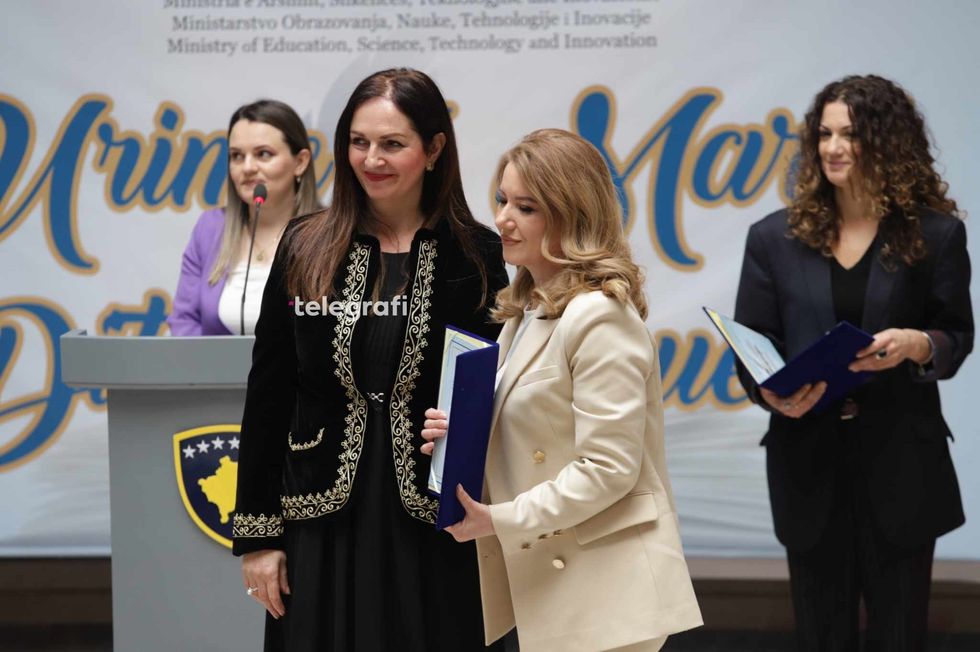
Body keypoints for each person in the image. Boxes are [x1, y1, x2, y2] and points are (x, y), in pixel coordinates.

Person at [232, 69, 510, 652]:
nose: (371, 159)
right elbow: (269, 394)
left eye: (392, 143)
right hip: (319, 519)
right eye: (358, 142)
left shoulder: (476, 252)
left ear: (434, 149)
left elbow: (494, 387)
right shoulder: (305, 243)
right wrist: (258, 536)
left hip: (436, 521)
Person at [421, 129, 703, 651]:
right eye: (502, 199)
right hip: (560, 583)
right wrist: (461, 436)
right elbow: (536, 433)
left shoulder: (599, 316)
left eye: (526, 207)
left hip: (607, 591)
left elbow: (608, 469)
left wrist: (498, 520)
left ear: (572, 215)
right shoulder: (527, 310)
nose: (503, 219)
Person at [734, 75, 973, 652]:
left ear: (888, 141)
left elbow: (956, 335)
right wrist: (770, 391)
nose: (834, 147)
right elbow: (753, 344)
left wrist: (918, 343)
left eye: (851, 134)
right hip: (807, 466)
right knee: (820, 636)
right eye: (825, 134)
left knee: (900, 635)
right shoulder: (773, 238)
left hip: (903, 467)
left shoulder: (936, 234)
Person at [168, 99, 318, 335]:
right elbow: (184, 321)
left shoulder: (333, 233)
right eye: (237, 156)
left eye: (263, 154)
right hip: (216, 361)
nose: (247, 167)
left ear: (300, 162)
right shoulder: (211, 228)